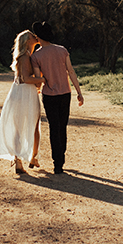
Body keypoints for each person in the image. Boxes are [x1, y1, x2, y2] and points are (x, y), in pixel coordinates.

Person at [29, 21, 83, 174]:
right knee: (62, 126)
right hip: (65, 93)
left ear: (38, 37)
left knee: (54, 127)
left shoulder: (36, 56)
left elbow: (39, 79)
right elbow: (71, 72)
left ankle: (57, 162)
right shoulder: (62, 50)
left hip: (49, 95)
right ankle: (61, 156)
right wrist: (79, 92)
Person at [0, 30, 45, 174]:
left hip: (23, 92)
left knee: (28, 125)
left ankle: (28, 158)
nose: (35, 35)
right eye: (31, 35)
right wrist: (43, 79)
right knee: (27, 125)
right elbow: (26, 79)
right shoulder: (24, 57)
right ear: (26, 40)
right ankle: (24, 159)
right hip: (24, 93)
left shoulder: (29, 56)